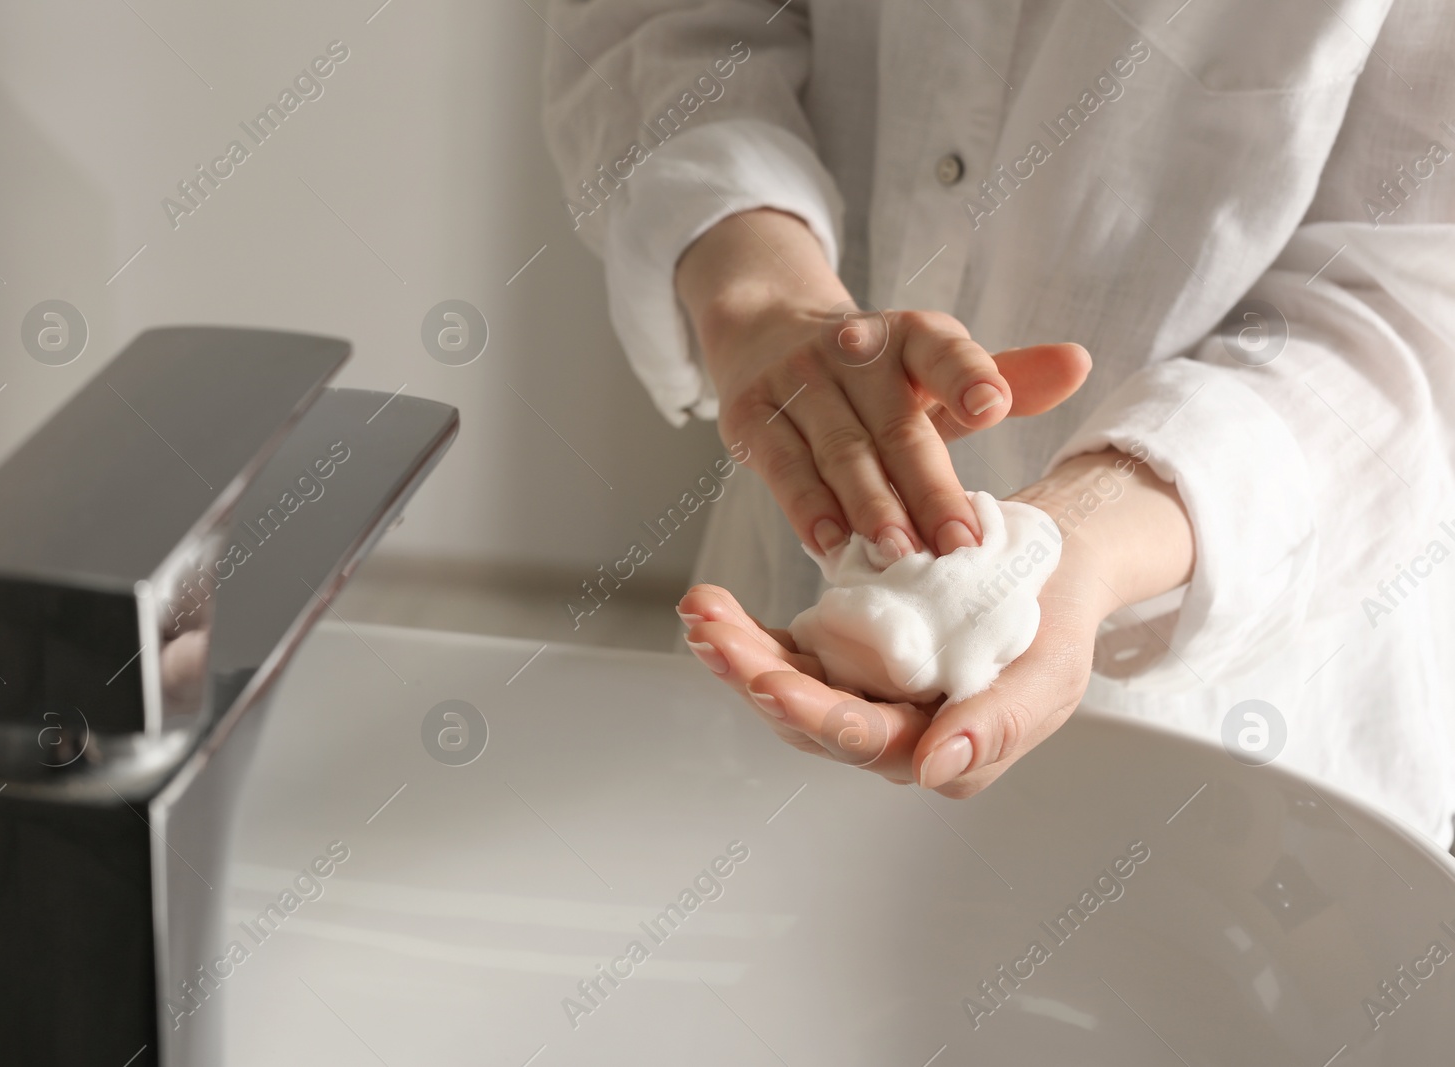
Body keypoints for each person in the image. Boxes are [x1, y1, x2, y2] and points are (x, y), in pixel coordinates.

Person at [542, 1, 1455, 845]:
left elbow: (1414, 311)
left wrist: (1081, 541)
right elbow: (662, 19)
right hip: (781, 611)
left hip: (1244, 744)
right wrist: (763, 301)